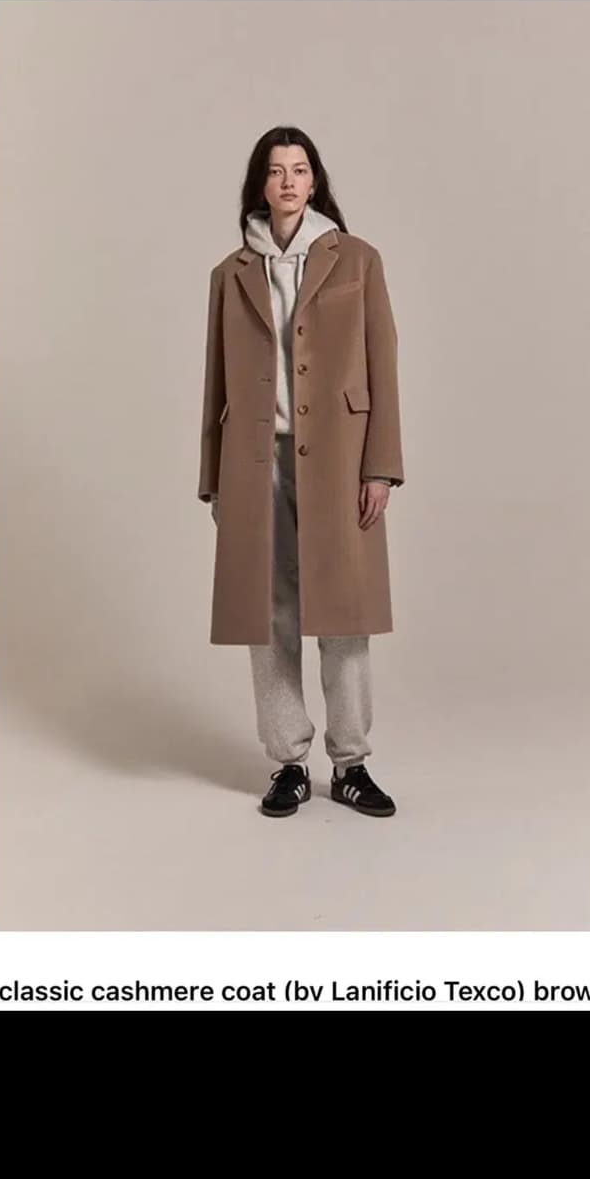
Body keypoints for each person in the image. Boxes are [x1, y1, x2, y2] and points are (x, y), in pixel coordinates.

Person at [197, 126, 405, 819]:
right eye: (276, 170)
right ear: (260, 184)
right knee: (271, 616)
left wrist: (380, 467)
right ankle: (288, 762)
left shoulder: (358, 260)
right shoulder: (230, 273)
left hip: (339, 461)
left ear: (315, 182)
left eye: (300, 170)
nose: (288, 182)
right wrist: (215, 478)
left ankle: (351, 764)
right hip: (256, 464)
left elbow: (383, 366)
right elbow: (216, 381)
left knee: (344, 615)